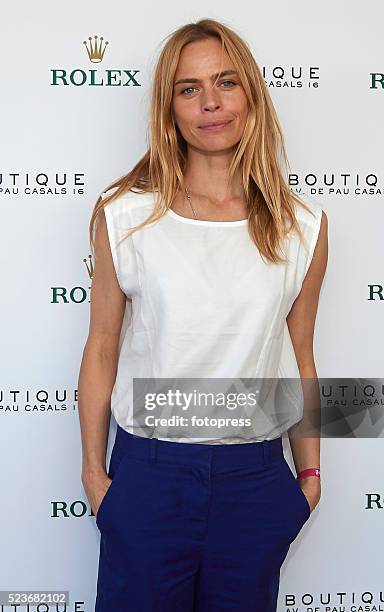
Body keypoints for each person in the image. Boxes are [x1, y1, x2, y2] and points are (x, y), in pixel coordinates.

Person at [78, 18, 328, 612]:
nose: (211, 103)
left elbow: (301, 353)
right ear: (169, 108)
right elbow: (102, 347)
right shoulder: (125, 216)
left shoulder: (303, 227)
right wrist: (94, 475)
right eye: (189, 89)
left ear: (251, 95)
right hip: (149, 476)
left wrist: (310, 477)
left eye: (226, 82)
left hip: (258, 479)